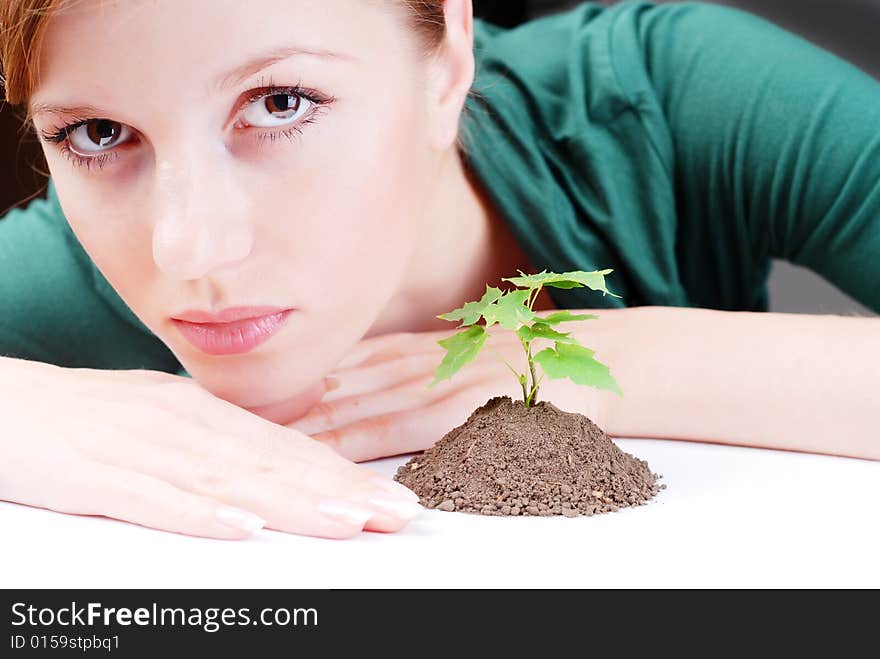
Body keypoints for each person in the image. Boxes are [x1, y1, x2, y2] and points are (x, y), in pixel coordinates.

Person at [0, 0, 877, 542]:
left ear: (450, 58)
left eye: (280, 103)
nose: (186, 248)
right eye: (97, 134)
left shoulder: (663, 92)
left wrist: (597, 365)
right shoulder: (68, 276)